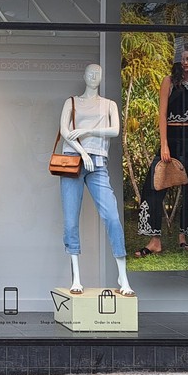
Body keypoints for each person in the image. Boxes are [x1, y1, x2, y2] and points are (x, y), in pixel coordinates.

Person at [59, 63, 134, 296]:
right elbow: (64, 131)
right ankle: (76, 278)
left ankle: (123, 277)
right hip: (73, 161)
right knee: (71, 220)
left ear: (101, 77)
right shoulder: (71, 102)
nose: (94, 76)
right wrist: (82, 152)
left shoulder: (108, 104)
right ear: (83, 76)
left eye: (98, 73)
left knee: (112, 217)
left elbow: (115, 130)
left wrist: (88, 131)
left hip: (98, 163)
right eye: (90, 73)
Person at [134, 47, 188, 257]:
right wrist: (164, 144)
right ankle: (155, 240)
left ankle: (183, 236)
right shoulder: (169, 81)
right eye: (181, 59)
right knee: (153, 186)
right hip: (171, 139)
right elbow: (162, 115)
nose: (185, 62)